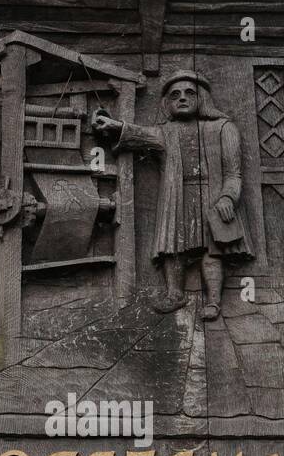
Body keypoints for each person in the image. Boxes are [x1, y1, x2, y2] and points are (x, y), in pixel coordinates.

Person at [92, 71, 254, 317]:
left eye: (189, 93)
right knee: (173, 245)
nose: (182, 98)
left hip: (212, 196)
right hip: (177, 197)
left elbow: (234, 174)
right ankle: (174, 294)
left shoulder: (224, 128)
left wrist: (227, 197)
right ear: (167, 102)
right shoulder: (166, 132)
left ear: (202, 99)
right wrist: (114, 125)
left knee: (213, 249)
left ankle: (213, 301)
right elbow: (138, 134)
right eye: (175, 94)